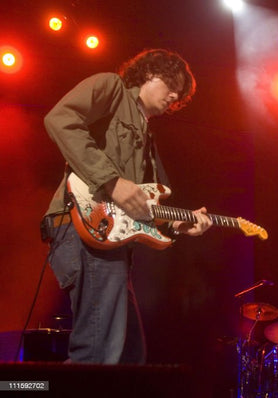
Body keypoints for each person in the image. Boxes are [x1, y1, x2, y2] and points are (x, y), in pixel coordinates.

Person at [42, 49, 213, 364]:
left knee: (128, 356)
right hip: (83, 227)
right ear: (149, 73)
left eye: (181, 95)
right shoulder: (111, 87)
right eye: (171, 84)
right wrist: (111, 180)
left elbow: (143, 206)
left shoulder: (148, 136)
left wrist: (179, 224)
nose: (175, 95)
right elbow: (60, 119)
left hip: (112, 243)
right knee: (97, 353)